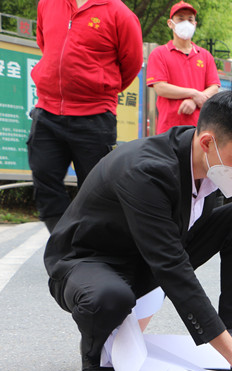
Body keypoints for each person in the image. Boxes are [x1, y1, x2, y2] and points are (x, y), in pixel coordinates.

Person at [44, 82, 232, 371]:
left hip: (145, 254)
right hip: (89, 263)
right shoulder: (145, 171)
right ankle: (96, 353)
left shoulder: (209, 166)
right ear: (207, 142)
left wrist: (231, 349)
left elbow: (172, 252)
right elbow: (172, 267)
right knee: (110, 298)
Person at [27, 0, 143, 232]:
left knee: (97, 195)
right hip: (48, 111)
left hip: (95, 116)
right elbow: (46, 45)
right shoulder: (48, 4)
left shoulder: (119, 13)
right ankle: (64, 248)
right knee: (44, 182)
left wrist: (100, 87)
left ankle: (91, 256)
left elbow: (131, 64)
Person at [146, 1, 220, 134]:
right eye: (180, 18)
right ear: (170, 23)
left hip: (200, 128)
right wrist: (193, 93)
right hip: (169, 129)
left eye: (190, 19)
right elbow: (161, 88)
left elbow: (214, 87)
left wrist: (194, 100)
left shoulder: (205, 56)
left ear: (195, 24)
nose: (186, 23)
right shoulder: (159, 54)